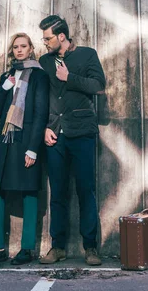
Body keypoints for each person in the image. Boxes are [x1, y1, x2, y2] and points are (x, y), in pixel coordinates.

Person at [38, 15, 106, 266]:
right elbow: (41, 97)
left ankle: (91, 247)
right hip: (55, 135)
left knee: (85, 190)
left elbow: (99, 86)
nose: (44, 42)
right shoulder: (44, 62)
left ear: (62, 36)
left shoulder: (87, 55)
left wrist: (71, 78)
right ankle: (58, 247)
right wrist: (44, 128)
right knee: (58, 193)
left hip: (82, 132)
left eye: (48, 38)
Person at [0, 32, 49, 266]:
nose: (19, 50)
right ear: (12, 51)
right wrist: (4, 88)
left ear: (31, 48)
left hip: (26, 139)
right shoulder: (7, 75)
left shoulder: (39, 76)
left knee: (29, 191)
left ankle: (27, 248)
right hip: (6, 139)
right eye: (15, 47)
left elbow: (41, 113)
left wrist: (33, 149)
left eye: (23, 46)